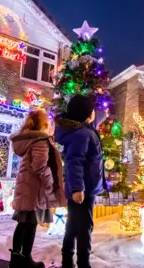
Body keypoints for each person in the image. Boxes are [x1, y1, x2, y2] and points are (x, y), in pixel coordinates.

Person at [55, 94, 108, 268]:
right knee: (84, 227)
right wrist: (78, 188)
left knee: (72, 225)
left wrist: (102, 113)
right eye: (92, 110)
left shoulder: (82, 129)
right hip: (83, 189)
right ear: (86, 114)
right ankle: (83, 263)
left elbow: (95, 119)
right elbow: (74, 161)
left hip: (81, 188)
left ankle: (67, 261)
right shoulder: (82, 134)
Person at [10, 109, 67, 268]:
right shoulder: (40, 141)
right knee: (30, 224)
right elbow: (40, 165)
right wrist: (50, 183)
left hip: (27, 188)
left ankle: (16, 260)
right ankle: (25, 260)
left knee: (23, 223)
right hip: (35, 190)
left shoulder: (30, 140)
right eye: (47, 121)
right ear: (43, 124)